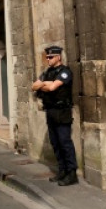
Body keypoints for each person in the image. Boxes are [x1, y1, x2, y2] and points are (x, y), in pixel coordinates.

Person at [31, 45, 78, 186]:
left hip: (62, 112)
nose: (48, 59)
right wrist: (46, 83)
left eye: (50, 57)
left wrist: (44, 85)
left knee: (65, 143)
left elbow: (52, 88)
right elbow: (34, 86)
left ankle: (72, 173)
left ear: (58, 57)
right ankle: (62, 170)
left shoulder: (65, 72)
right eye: (47, 57)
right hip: (50, 111)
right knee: (55, 143)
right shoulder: (47, 72)